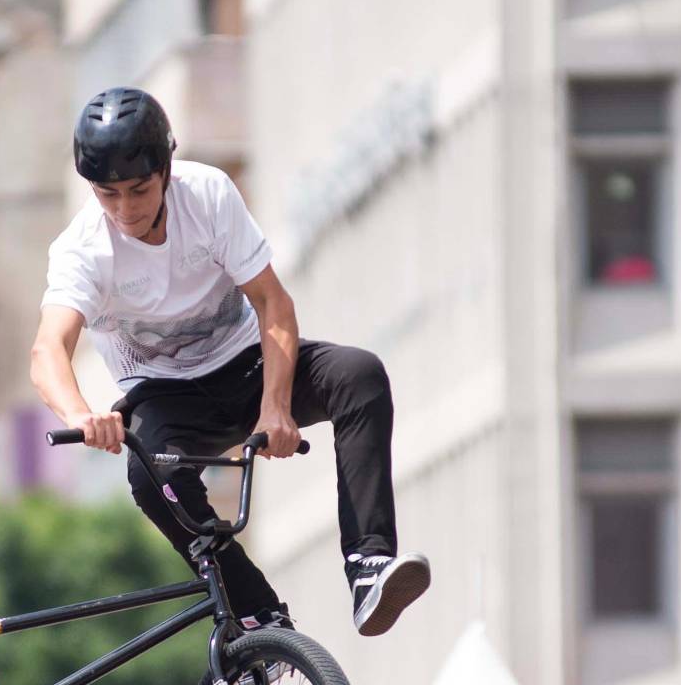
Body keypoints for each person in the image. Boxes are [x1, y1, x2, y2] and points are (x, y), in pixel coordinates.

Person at [30, 87, 432, 638]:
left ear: (166, 170)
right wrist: (80, 414)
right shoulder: (82, 251)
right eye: (109, 194)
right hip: (167, 396)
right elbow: (48, 348)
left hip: (247, 366)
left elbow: (273, 303)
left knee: (358, 376)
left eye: (140, 189)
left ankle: (368, 566)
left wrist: (275, 408)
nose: (126, 209)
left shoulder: (208, 195)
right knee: (152, 476)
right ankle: (255, 611)